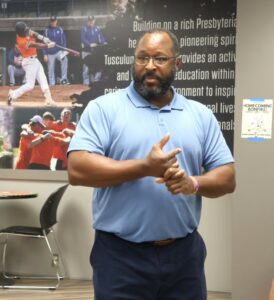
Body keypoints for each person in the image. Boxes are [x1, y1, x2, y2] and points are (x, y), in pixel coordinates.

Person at [67, 29, 236, 300]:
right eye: (142, 58)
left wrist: (192, 183)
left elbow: (227, 177)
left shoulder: (200, 115)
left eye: (159, 58)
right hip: (120, 258)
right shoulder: (103, 109)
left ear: (177, 63)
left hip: (184, 258)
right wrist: (144, 167)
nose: (149, 66)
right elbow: (77, 169)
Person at [8, 21, 56, 106]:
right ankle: (12, 94)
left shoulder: (25, 32)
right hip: (28, 62)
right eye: (25, 31)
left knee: (43, 79)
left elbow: (33, 33)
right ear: (20, 32)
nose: (27, 31)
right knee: (30, 85)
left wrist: (43, 38)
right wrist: (47, 45)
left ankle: (49, 99)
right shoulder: (21, 41)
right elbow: (35, 45)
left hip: (35, 60)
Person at [42, 16, 70, 85]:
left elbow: (64, 41)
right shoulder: (46, 31)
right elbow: (43, 44)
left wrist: (64, 50)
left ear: (56, 21)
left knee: (65, 59)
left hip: (59, 51)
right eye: (52, 21)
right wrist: (45, 54)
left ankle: (64, 79)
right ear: (50, 22)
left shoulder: (60, 29)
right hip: (50, 52)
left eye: (54, 21)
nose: (53, 22)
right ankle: (52, 84)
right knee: (50, 69)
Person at [80, 15, 107, 85]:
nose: (91, 22)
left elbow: (101, 38)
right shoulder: (84, 28)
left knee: (98, 67)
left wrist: (103, 42)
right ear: (87, 21)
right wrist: (89, 44)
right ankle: (86, 84)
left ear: (94, 21)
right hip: (86, 51)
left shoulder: (97, 28)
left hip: (95, 52)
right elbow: (83, 39)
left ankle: (95, 82)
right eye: (89, 21)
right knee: (86, 68)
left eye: (92, 20)